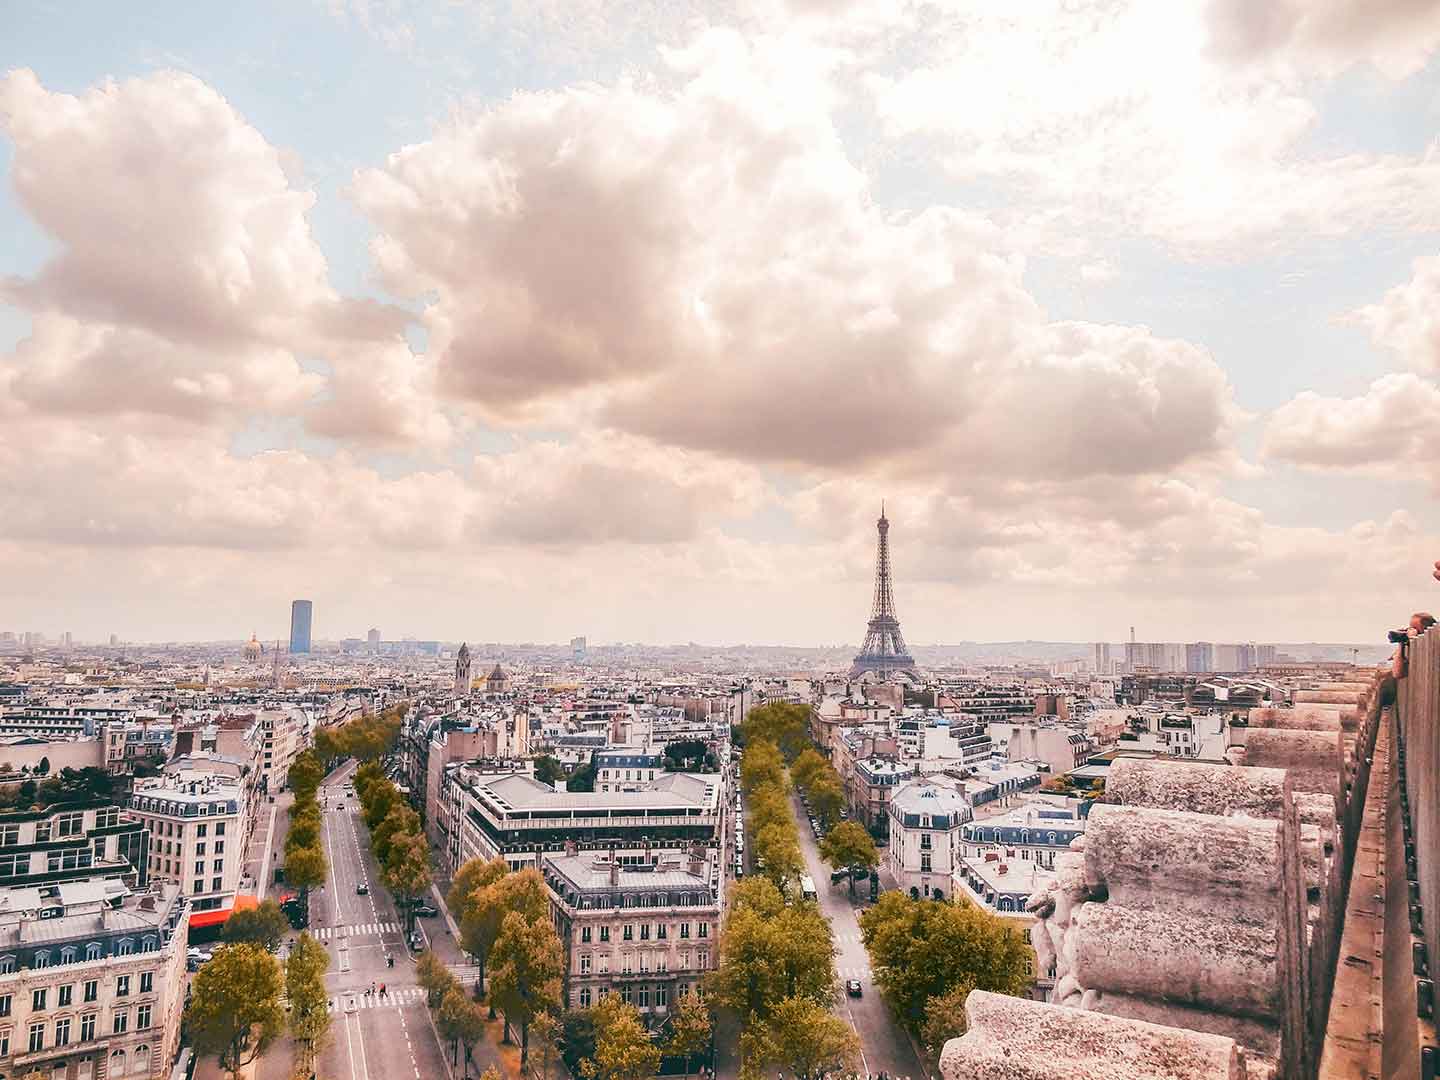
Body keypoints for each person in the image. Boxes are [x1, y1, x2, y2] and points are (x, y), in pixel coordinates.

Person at [1392, 611, 1436, 679]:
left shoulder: (1431, 647)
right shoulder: (1410, 646)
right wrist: (1402, 642)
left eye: (1414, 628)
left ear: (1426, 630)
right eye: (1410, 627)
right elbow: (1396, 673)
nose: (1410, 630)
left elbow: (1397, 674)